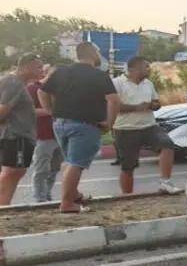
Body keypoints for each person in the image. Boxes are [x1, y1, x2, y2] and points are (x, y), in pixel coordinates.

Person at [38, 42, 119, 213]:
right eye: (97, 52)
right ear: (91, 53)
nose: (99, 55)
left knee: (69, 162)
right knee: (76, 163)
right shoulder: (99, 75)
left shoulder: (61, 72)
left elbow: (42, 92)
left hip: (60, 123)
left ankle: (73, 195)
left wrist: (50, 111)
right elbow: (113, 100)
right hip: (85, 124)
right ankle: (67, 203)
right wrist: (109, 123)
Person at [112, 56, 178, 195]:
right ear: (133, 69)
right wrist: (137, 107)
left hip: (149, 126)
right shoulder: (117, 83)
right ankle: (127, 196)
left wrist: (154, 105)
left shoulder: (148, 83)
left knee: (167, 144)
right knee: (128, 167)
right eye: (145, 67)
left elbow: (156, 101)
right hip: (125, 129)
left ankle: (165, 182)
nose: (148, 70)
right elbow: (114, 107)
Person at [0, 54, 45, 205]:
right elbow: (3, 109)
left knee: (14, 173)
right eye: (38, 66)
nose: (42, 70)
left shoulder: (16, 82)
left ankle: (4, 210)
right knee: (11, 173)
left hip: (17, 136)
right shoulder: (13, 82)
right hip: (16, 136)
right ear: (26, 66)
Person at [27, 64, 62, 203]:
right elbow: (29, 112)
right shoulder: (33, 88)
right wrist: (50, 111)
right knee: (41, 168)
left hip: (59, 133)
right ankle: (39, 198)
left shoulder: (59, 90)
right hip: (43, 134)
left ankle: (47, 194)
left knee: (54, 168)